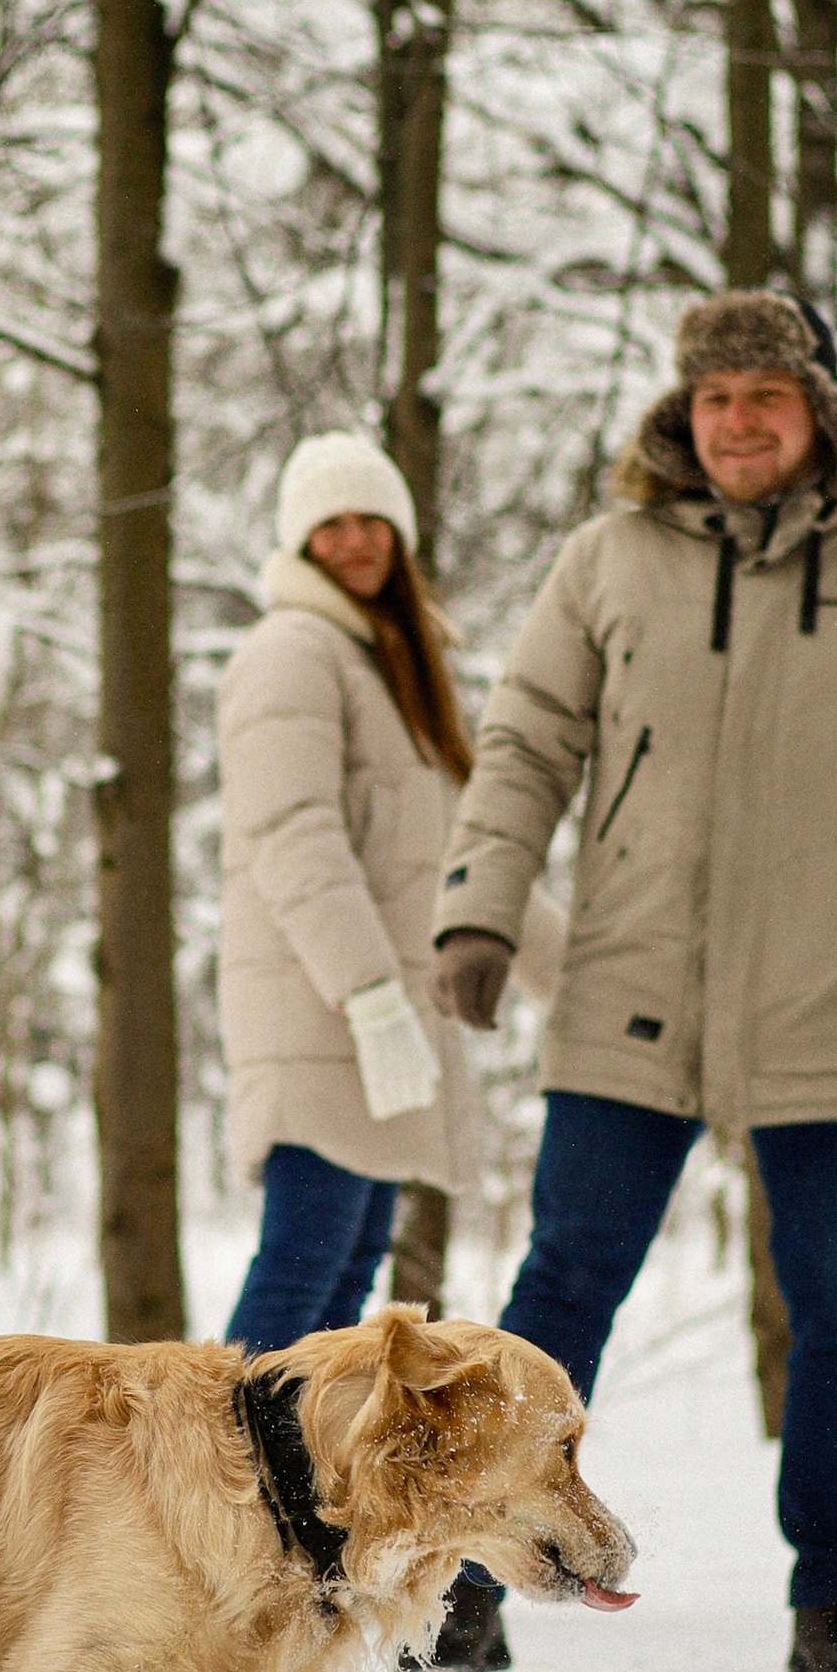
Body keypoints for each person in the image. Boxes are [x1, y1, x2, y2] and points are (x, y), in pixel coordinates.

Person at [424, 290, 837, 1672]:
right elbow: (526, 744)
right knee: (561, 1296)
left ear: (821, 410)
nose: (739, 421)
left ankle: (831, 1590)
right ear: (682, 413)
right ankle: (475, 1579)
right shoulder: (610, 560)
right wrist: (476, 908)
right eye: (715, 399)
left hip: (833, 998)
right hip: (631, 994)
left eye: (767, 396)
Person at [216, 432, 485, 1360]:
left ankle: (294, 1490)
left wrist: (573, 974)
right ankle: (209, 1482)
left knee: (346, 1270)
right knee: (304, 1265)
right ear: (300, 544)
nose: (357, 538)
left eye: (374, 518)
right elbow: (293, 834)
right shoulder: (292, 650)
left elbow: (456, 856)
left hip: (380, 1024)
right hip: (321, 1012)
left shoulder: (395, 666)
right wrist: (370, 996)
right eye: (331, 524)